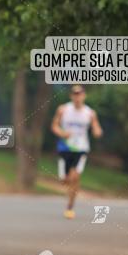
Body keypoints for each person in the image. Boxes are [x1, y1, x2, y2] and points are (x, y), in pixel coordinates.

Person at [50, 84, 102, 219]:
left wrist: (97, 132)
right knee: (65, 180)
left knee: (75, 177)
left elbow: (97, 128)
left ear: (84, 96)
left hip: (81, 149)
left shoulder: (90, 113)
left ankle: (70, 207)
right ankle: (68, 190)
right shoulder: (63, 110)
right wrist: (62, 133)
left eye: (80, 94)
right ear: (71, 96)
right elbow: (54, 126)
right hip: (65, 148)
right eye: (75, 94)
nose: (77, 97)